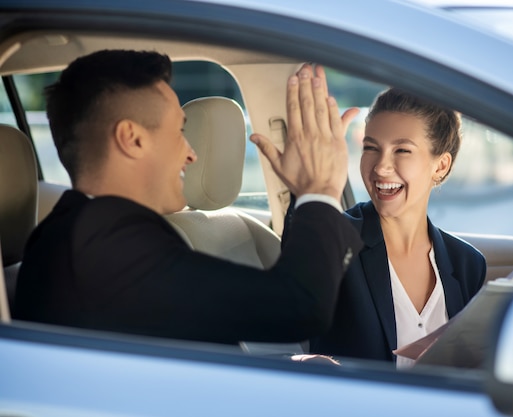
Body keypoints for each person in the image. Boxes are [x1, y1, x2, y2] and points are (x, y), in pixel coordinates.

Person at [14, 50, 362, 345]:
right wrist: (320, 190)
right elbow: (298, 307)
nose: (192, 154)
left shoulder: (81, 231)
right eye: (180, 131)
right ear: (132, 139)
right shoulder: (102, 242)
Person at [291, 88, 486, 366]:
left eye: (402, 150)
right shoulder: (334, 240)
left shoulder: (468, 264)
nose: (381, 167)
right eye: (371, 148)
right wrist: (311, 188)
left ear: (441, 166)